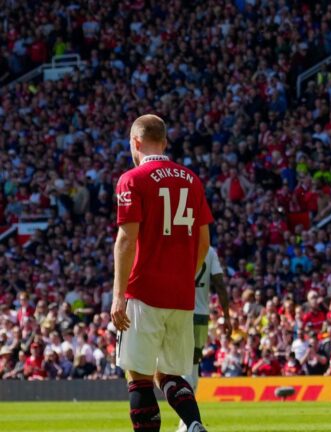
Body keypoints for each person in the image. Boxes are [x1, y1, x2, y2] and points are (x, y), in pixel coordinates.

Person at [111, 114, 213, 432]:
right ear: (165, 142)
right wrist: (184, 276)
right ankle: (193, 424)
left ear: (135, 142)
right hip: (181, 295)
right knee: (169, 374)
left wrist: (118, 296)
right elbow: (204, 242)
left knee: (138, 376)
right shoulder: (192, 180)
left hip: (144, 290)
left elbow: (126, 240)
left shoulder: (132, 179)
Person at [177, 246, 231, 432]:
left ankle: (187, 422)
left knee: (182, 367)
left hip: (180, 313)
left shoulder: (179, 246)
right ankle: (189, 421)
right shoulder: (210, 251)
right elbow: (220, 284)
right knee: (192, 366)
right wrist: (227, 316)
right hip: (200, 315)